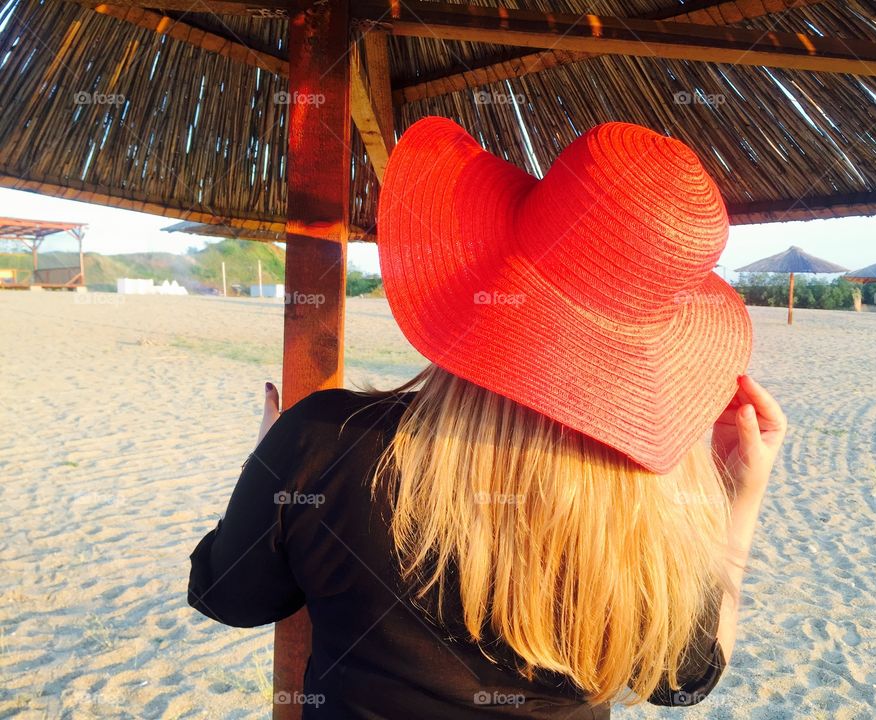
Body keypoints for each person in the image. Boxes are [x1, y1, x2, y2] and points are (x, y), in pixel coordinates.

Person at [188, 118, 787, 719]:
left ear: (482, 261)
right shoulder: (648, 505)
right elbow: (684, 681)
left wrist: (269, 455)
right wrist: (741, 495)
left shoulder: (327, 440)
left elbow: (228, 595)